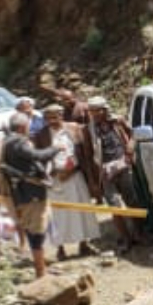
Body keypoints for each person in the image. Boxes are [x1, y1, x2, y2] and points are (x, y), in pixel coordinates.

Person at [0, 112, 59, 278]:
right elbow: (35, 156)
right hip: (30, 192)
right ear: (21, 127)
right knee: (36, 231)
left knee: (36, 229)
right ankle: (40, 271)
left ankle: (42, 267)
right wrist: (55, 149)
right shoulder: (17, 142)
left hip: (26, 191)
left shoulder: (8, 141)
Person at [84, 96, 143, 252]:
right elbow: (88, 155)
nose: (95, 114)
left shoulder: (117, 121)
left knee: (132, 201)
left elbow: (134, 135)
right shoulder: (88, 129)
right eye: (92, 111)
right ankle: (126, 238)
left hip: (123, 165)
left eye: (98, 111)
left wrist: (130, 147)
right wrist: (93, 181)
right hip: (105, 172)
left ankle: (139, 234)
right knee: (114, 206)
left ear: (105, 110)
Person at [44, 102, 98, 260]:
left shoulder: (73, 129)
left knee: (81, 211)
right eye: (49, 118)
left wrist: (75, 171)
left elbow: (85, 154)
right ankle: (61, 249)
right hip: (55, 181)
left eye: (55, 117)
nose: (52, 121)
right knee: (58, 215)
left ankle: (84, 244)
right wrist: (53, 171)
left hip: (75, 177)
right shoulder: (42, 135)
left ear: (61, 116)